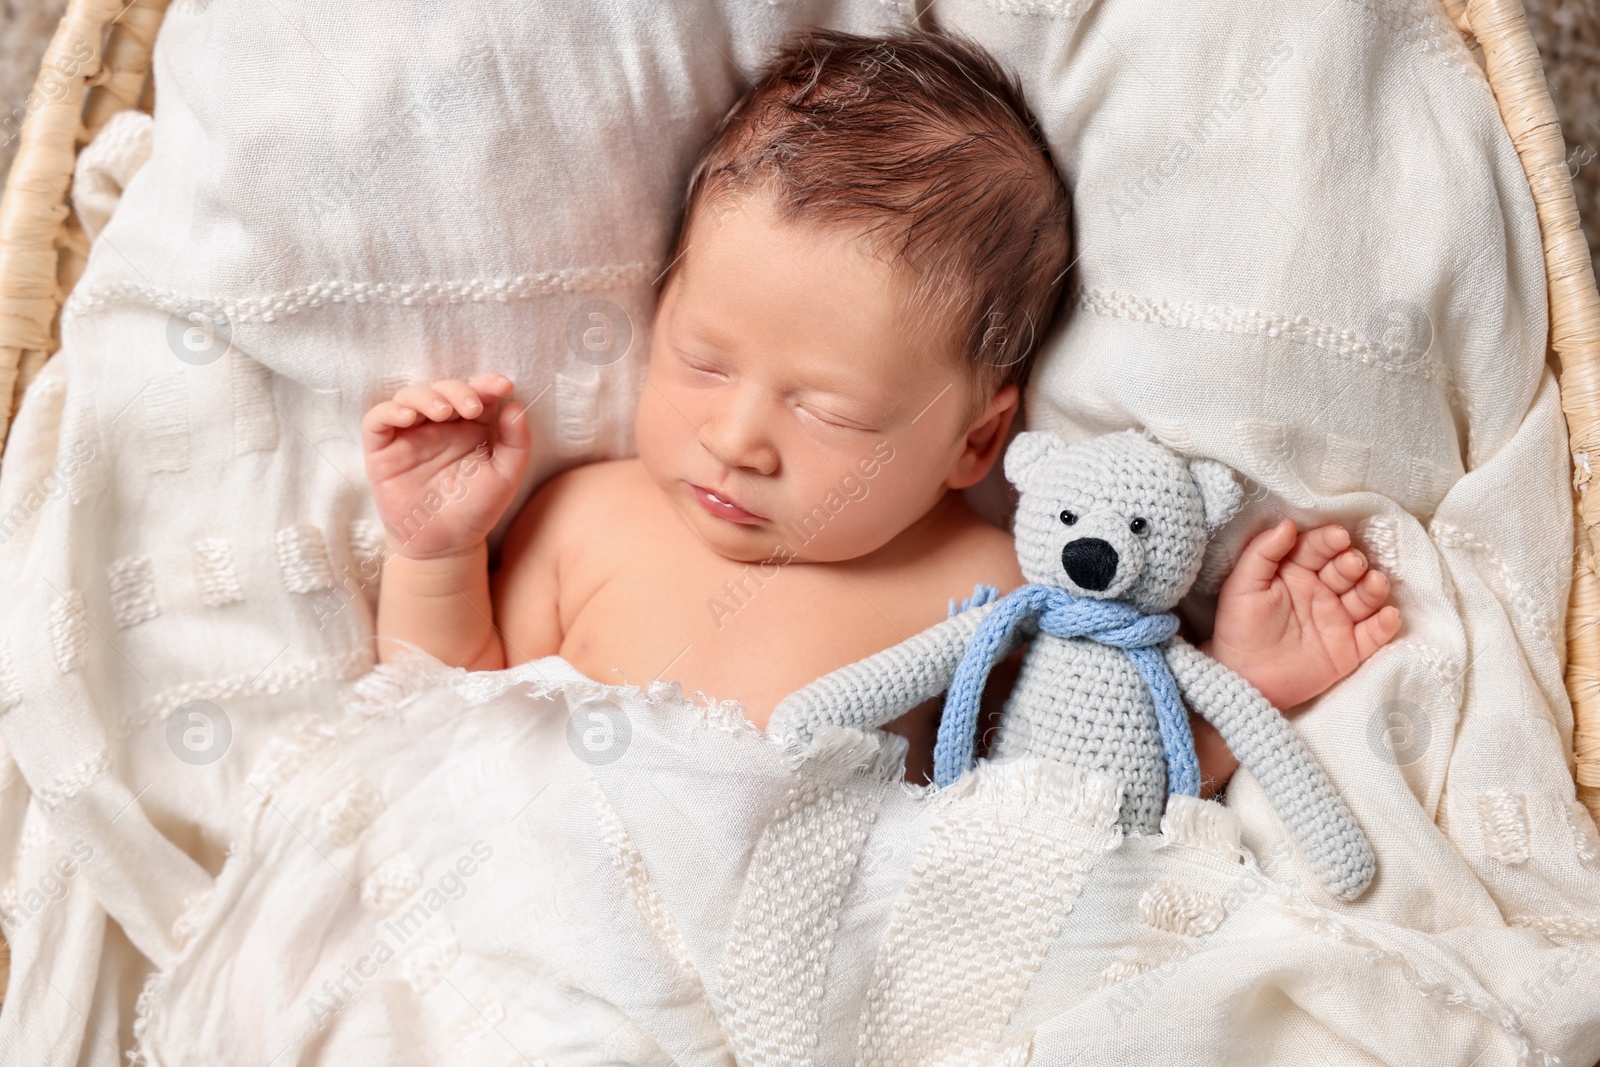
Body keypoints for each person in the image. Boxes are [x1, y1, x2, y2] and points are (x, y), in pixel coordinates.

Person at [360, 27, 1400, 789]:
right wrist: (435, 554)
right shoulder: (586, 516)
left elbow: (1068, 798)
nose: (734, 441)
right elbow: (439, 724)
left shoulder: (986, 586)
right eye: (703, 361)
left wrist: (1241, 688)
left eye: (830, 411)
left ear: (976, 439)